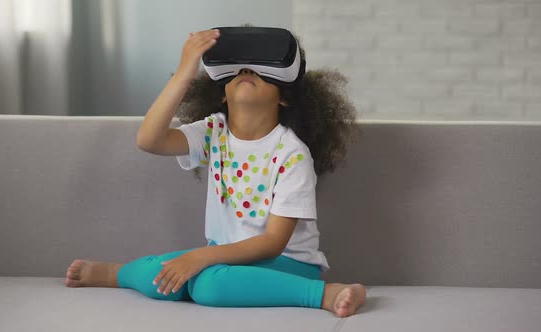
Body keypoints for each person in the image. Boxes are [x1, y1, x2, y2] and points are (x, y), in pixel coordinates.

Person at [65, 27, 366, 318]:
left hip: (286, 262)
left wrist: (199, 257)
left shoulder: (291, 153)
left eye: (260, 71)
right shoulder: (214, 132)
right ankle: (115, 273)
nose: (246, 72)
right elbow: (149, 139)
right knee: (160, 276)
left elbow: (273, 242)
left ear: (284, 96)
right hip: (223, 258)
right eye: (237, 71)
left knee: (208, 285)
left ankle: (323, 293)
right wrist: (185, 72)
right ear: (222, 93)